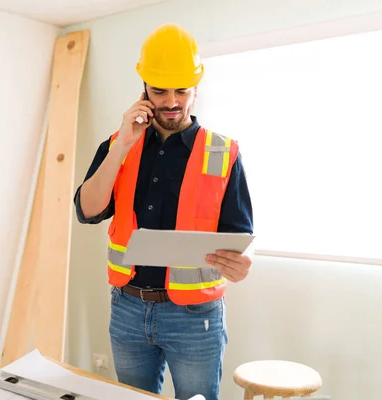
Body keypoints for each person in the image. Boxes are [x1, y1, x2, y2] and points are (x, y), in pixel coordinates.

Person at [73, 23, 254, 400]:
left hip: (194, 317)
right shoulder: (118, 144)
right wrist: (122, 145)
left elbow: (239, 235)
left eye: (181, 91)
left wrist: (241, 261)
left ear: (195, 90)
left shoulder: (224, 152)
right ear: (143, 90)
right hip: (127, 309)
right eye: (159, 91)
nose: (171, 101)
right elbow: (87, 210)